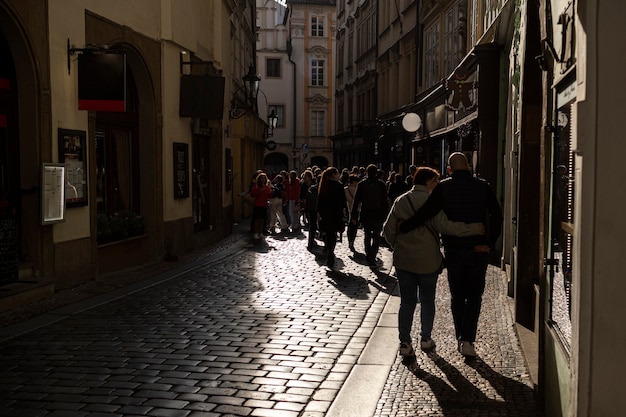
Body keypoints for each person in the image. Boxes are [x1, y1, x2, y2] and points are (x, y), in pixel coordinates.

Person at [398, 152, 502, 357]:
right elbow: (497, 216)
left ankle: (460, 338)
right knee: (474, 296)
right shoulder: (483, 186)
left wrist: (405, 226)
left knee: (457, 296)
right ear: (469, 167)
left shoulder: (443, 187)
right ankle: (467, 340)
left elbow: (426, 213)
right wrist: (489, 244)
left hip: (454, 250)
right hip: (477, 249)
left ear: (449, 169)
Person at [384, 167, 484, 360]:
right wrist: (473, 229)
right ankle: (426, 339)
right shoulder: (433, 202)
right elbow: (447, 227)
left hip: (404, 261)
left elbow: (388, 231)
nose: (437, 185)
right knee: (428, 301)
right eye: (436, 181)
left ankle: (405, 343)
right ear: (429, 181)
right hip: (428, 260)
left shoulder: (401, 200)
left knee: (407, 302)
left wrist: (398, 245)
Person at [351, 164, 389, 268]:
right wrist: (386, 216)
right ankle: (372, 255)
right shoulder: (381, 184)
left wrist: (353, 216)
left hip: (366, 213)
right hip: (378, 214)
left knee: (367, 235)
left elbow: (356, 201)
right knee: (376, 236)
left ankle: (369, 255)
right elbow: (385, 202)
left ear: (367, 172)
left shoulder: (362, 183)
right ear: (376, 173)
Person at [316, 167, 347, 269]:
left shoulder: (324, 184)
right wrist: (344, 215)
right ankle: (331, 253)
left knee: (328, 233)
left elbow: (319, 200)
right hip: (336, 213)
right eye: (337, 173)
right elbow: (343, 201)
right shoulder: (338, 185)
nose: (338, 176)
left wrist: (318, 212)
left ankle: (329, 250)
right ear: (333, 174)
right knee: (333, 234)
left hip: (325, 214)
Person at [249, 172, 272, 239]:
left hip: (264, 205)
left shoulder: (266, 186)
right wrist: (259, 191)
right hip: (257, 205)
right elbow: (252, 194)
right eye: (261, 178)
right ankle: (256, 232)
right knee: (257, 219)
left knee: (262, 220)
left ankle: (260, 232)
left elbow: (269, 194)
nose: (263, 180)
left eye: (264, 178)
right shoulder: (256, 186)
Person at [344, 174, 360, 251]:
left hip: (348, 210)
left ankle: (349, 240)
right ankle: (352, 241)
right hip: (357, 210)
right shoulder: (358, 190)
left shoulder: (345, 189)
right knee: (355, 227)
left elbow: (345, 200)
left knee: (349, 226)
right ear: (353, 181)